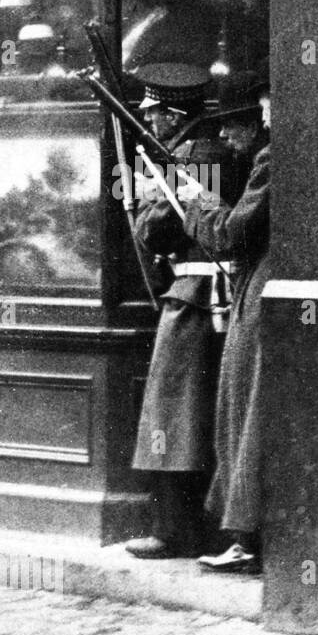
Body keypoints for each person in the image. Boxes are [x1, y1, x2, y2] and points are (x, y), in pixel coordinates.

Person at [125, 63, 241, 559]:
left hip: (195, 294)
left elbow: (155, 231)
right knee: (208, 415)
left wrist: (145, 186)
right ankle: (214, 528)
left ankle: (174, 530)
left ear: (174, 116)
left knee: (173, 413)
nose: (150, 123)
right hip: (223, 295)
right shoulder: (216, 153)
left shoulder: (190, 160)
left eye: (156, 115)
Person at [178, 73, 272, 574]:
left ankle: (249, 537)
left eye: (236, 125)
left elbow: (234, 233)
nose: (230, 137)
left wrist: (199, 204)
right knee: (244, 409)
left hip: (262, 293)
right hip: (260, 289)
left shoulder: (272, 157)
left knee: (246, 410)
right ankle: (249, 534)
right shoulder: (264, 156)